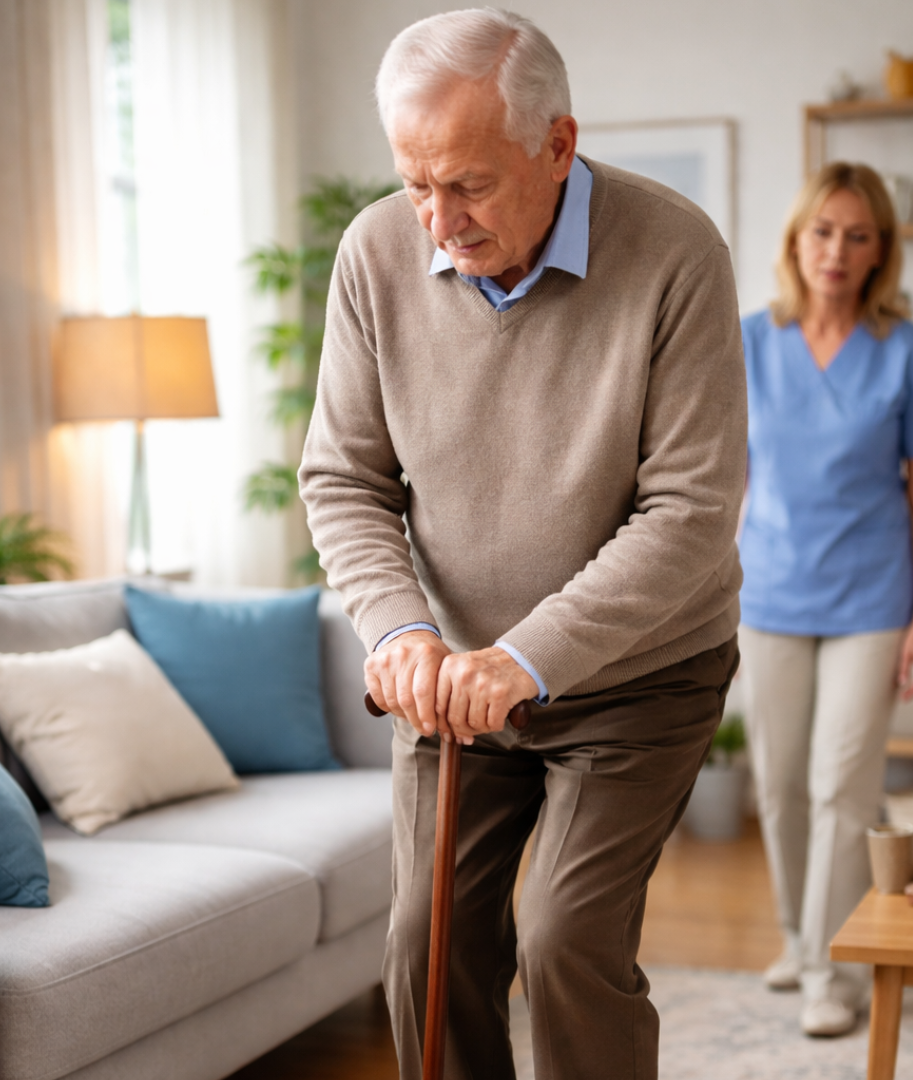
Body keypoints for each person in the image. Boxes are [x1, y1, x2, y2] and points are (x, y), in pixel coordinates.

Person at [299, 10, 747, 1078]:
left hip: (640, 679)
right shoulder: (374, 255)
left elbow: (690, 508)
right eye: (415, 184)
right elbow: (343, 477)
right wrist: (401, 630)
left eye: (468, 184)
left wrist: (527, 657)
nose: (438, 221)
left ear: (557, 146)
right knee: (426, 944)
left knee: (565, 941)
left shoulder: (676, 252)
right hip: (450, 684)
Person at [738, 162, 913, 1038]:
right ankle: (800, 939)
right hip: (768, 595)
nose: (837, 250)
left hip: (874, 601)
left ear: (882, 251)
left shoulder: (908, 351)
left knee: (843, 783)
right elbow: (726, 478)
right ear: (796, 242)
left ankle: (832, 968)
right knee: (781, 781)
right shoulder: (749, 342)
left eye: (858, 234)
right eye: (823, 231)